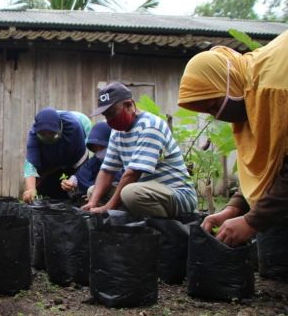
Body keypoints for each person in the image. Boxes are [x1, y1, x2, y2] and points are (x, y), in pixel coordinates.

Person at [177, 30, 288, 246]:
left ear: (226, 81)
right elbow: (269, 163)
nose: (217, 116)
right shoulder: (249, 89)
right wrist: (234, 207)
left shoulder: (272, 90)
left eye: (214, 106)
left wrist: (251, 222)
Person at [82, 82, 197, 218]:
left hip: (177, 195)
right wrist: (93, 202)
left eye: (112, 113)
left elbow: (132, 174)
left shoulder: (150, 126)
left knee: (130, 193)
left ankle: (163, 229)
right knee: (93, 191)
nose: (109, 120)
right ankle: (130, 223)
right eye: (106, 116)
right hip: (144, 193)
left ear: (129, 105)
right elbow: (107, 170)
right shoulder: (117, 132)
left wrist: (109, 207)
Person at [22, 107, 90, 203]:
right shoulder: (34, 133)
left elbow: (83, 161)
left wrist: (74, 179)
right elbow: (31, 164)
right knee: (43, 187)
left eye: (51, 134)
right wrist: (30, 190)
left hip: (78, 137)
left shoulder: (73, 127)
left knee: (78, 186)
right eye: (43, 134)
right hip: (53, 159)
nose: (47, 137)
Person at [73, 121, 122, 197]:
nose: (98, 151)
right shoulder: (96, 160)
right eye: (95, 148)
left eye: (101, 146)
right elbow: (81, 177)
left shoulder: (124, 159)